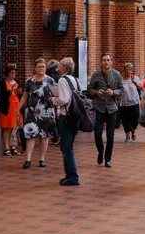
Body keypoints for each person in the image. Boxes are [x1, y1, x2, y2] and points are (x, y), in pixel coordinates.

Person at [17, 58, 57, 169]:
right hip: (31, 111)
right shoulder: (29, 81)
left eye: (43, 67)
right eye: (39, 66)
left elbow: (56, 95)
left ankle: (42, 159)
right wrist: (18, 109)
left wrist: (57, 107)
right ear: (35, 68)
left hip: (46, 111)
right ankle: (28, 159)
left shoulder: (50, 80)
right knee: (30, 135)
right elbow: (25, 96)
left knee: (44, 136)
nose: (41, 68)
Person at [88, 53, 125, 168]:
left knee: (110, 135)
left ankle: (108, 158)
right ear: (101, 62)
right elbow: (90, 89)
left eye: (108, 60)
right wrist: (96, 93)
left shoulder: (117, 74)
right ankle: (100, 151)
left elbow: (121, 89)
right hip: (99, 107)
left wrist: (113, 93)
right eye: (104, 60)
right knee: (98, 133)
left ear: (111, 62)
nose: (106, 62)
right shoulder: (96, 75)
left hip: (112, 108)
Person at [51, 58, 81, 186]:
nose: (58, 65)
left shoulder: (63, 80)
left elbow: (63, 99)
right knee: (67, 146)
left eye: (61, 64)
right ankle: (69, 175)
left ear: (65, 67)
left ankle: (73, 176)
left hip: (66, 116)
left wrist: (53, 99)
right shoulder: (75, 80)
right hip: (75, 116)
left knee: (67, 147)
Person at [0, 66, 21, 156]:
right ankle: (6, 148)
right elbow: (2, 95)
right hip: (7, 107)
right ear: (7, 73)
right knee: (7, 128)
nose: (13, 74)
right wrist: (10, 91)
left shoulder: (17, 82)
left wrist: (19, 92)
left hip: (16, 106)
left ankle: (13, 147)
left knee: (14, 128)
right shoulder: (3, 83)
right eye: (11, 72)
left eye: (14, 73)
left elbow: (20, 95)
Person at [119, 63, 142, 143]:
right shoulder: (121, 80)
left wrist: (135, 83)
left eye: (129, 69)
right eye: (126, 69)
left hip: (134, 102)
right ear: (124, 70)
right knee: (125, 120)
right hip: (124, 102)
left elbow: (141, 88)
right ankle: (127, 135)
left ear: (132, 70)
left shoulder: (135, 78)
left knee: (135, 119)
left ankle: (133, 130)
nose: (128, 71)